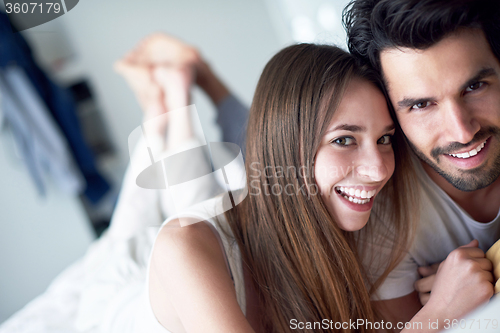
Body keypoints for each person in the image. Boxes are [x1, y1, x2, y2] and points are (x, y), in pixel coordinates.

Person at [146, 43, 487, 333]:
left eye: (384, 139)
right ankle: (162, 97)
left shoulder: (352, 221)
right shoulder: (185, 247)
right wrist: (438, 314)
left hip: (257, 199)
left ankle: (198, 81)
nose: (378, 169)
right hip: (111, 293)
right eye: (344, 139)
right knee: (172, 183)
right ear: (287, 148)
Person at [343, 0, 500, 327]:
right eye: (421, 105)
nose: (462, 131)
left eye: (474, 87)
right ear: (391, 115)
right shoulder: (381, 217)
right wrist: (440, 313)